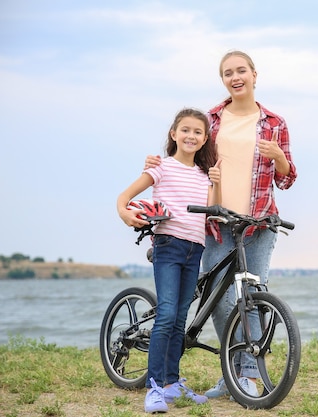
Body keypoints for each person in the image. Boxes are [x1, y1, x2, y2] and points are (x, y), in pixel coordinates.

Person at [145, 50, 297, 399]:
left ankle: (247, 376)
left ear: (255, 75)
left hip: (257, 224)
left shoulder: (275, 123)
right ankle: (233, 373)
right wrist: (157, 162)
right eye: (228, 72)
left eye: (241, 70)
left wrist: (280, 159)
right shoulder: (212, 119)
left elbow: (287, 179)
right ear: (223, 80)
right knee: (221, 299)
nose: (235, 76)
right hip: (215, 222)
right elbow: (186, 154)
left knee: (254, 299)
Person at [118, 108, 221, 413]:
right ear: (174, 134)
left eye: (198, 132)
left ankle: (171, 385)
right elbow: (124, 198)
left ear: (204, 140)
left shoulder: (204, 175)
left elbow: (211, 211)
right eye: (185, 130)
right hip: (168, 246)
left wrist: (216, 182)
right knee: (165, 316)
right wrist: (125, 214)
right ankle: (154, 388)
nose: (191, 136)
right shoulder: (162, 167)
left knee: (178, 320)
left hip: (195, 250)